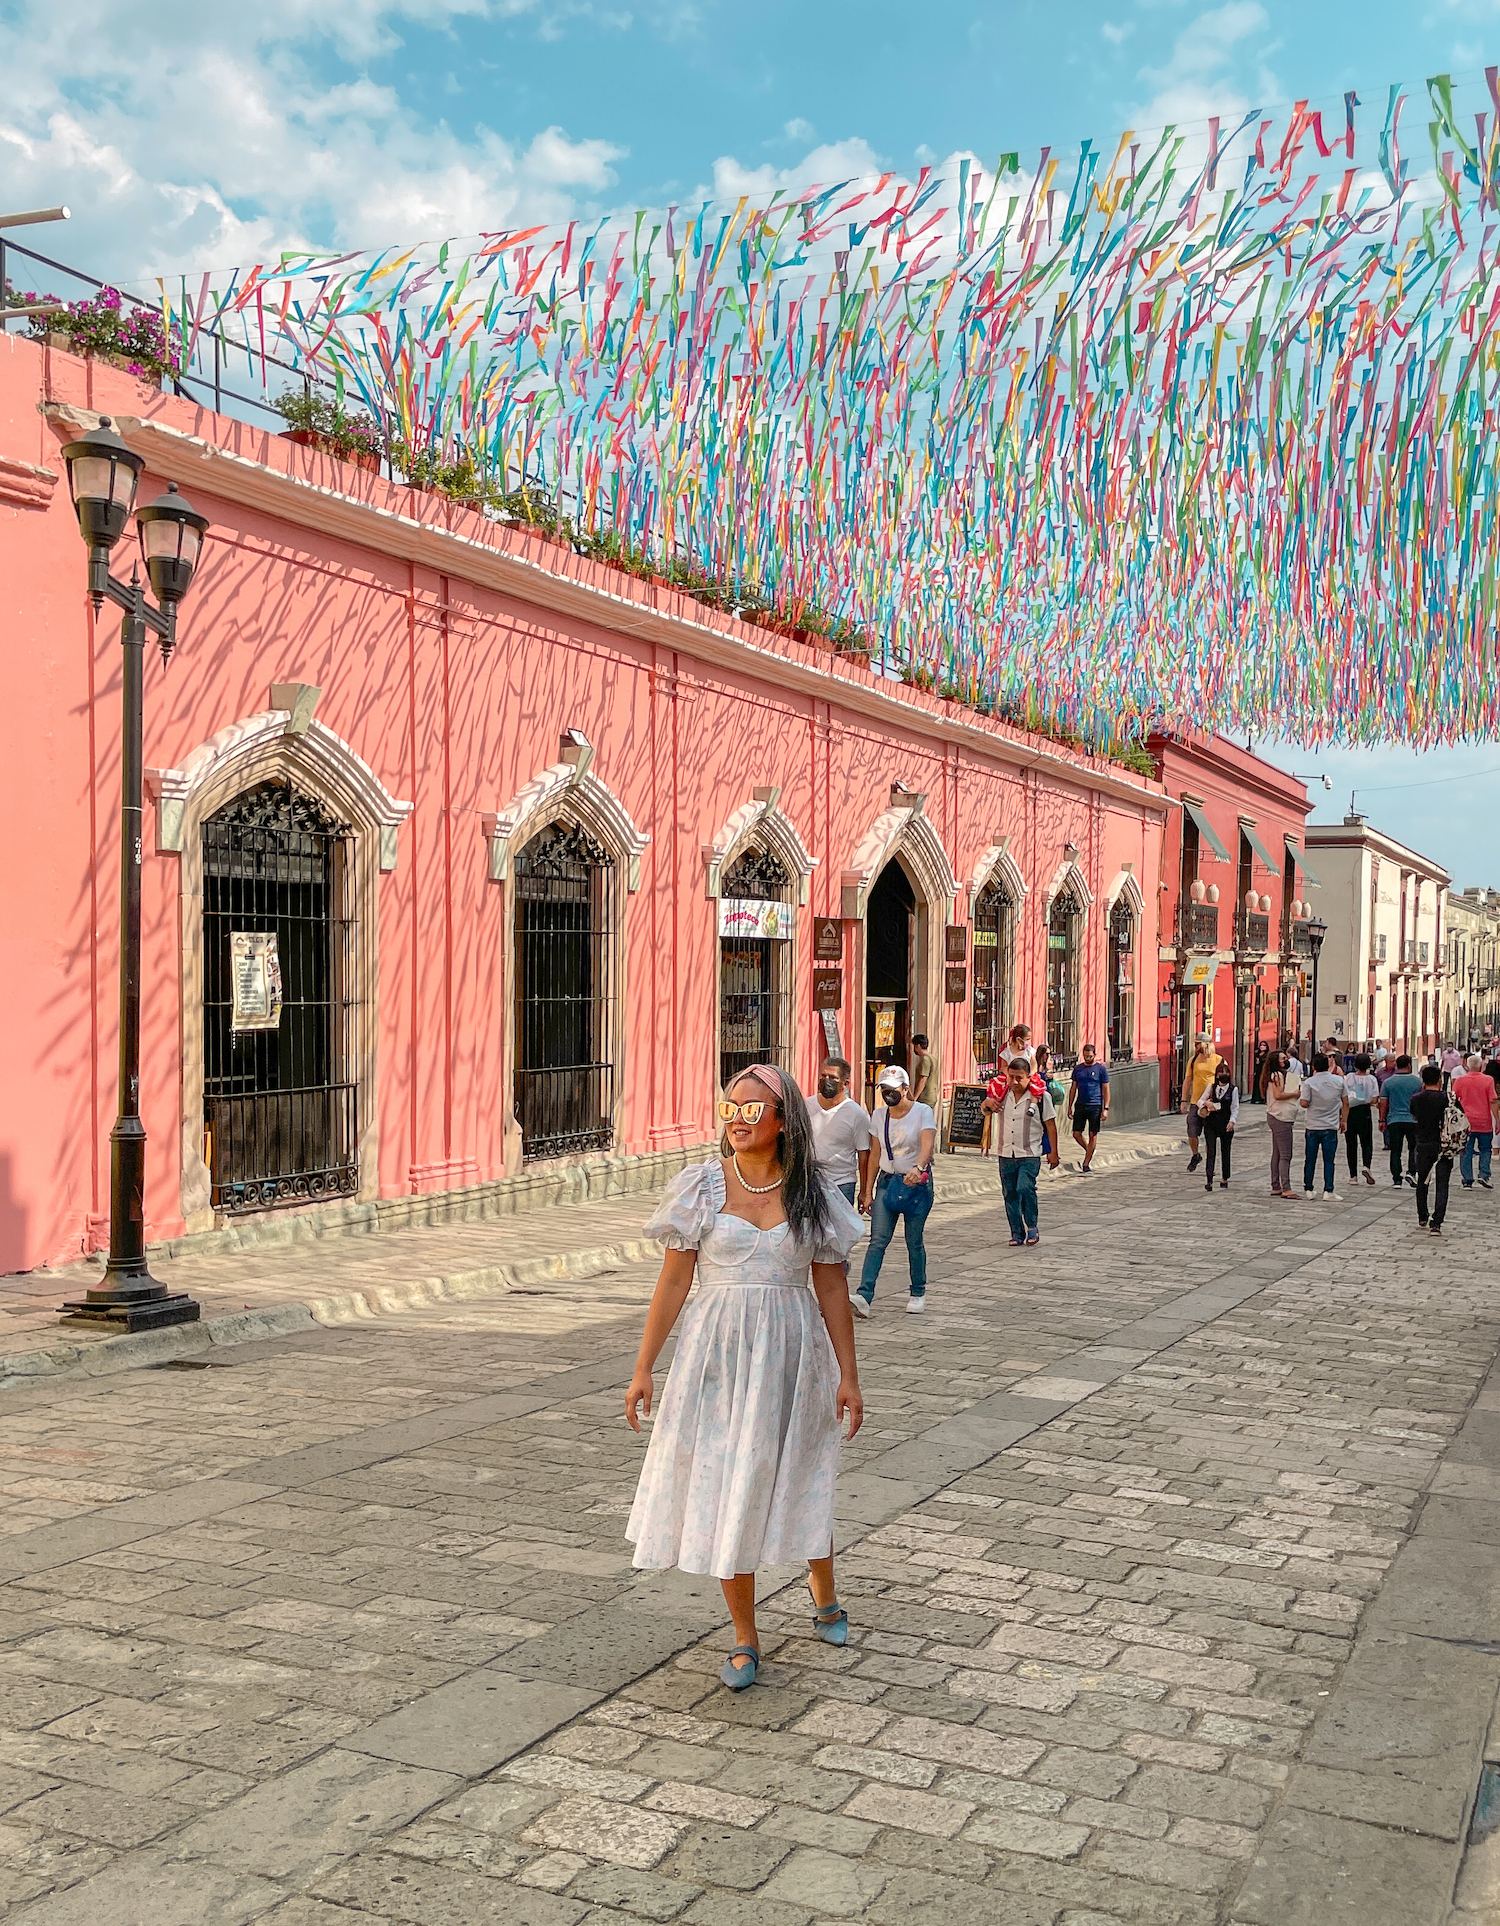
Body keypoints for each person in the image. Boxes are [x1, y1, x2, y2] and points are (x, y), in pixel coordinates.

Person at [625, 1065, 865, 1690]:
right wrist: (645, 1366)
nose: (737, 1121)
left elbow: (833, 1287)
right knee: (728, 1479)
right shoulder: (701, 1188)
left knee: (797, 1473)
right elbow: (674, 1280)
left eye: (753, 1110)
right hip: (716, 1361)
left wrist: (849, 1375)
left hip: (792, 1354)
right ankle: (744, 1635)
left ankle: (824, 1590)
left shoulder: (813, 1194)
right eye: (729, 1109)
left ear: (784, 1121)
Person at [854, 1066, 937, 1316]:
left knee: (914, 1240)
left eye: (892, 1089)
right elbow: (875, 1152)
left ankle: (918, 1291)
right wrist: (867, 1190)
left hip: (916, 1185)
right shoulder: (879, 1116)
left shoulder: (923, 1112)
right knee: (877, 1240)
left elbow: (927, 1144)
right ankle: (864, 1295)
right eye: (884, 1090)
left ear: (905, 1089)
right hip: (888, 1182)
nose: (888, 1094)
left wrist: (919, 1166)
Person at [982, 1055, 1059, 1246]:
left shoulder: (1041, 1098)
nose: (1015, 1082)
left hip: (1030, 1153)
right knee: (1009, 1193)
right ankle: (1016, 1232)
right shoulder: (1002, 1094)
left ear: (1028, 1077)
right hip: (1006, 1152)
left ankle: (1032, 1225)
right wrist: (987, 1104)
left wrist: (1054, 1152)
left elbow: (1050, 1125)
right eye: (1011, 1077)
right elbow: (985, 1110)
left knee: (1025, 1187)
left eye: (1019, 1078)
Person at [808, 1056, 873, 1208]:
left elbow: (864, 1156)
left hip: (842, 1184)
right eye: (823, 1076)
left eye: (833, 1077)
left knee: (839, 1232)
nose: (826, 1080)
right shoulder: (806, 1106)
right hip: (811, 1183)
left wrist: (864, 1191)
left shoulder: (857, 1115)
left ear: (845, 1083)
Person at [1409, 1062, 1456, 1235]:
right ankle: (1437, 1222)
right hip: (1444, 1144)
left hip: (1423, 1142)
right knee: (1442, 1182)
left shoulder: (1416, 1099)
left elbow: (1414, 1115)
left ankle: (1422, 1215)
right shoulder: (1448, 1098)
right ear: (1440, 1080)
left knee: (1422, 1180)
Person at [1299, 1051, 1348, 1199]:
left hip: (1313, 1124)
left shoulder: (1309, 1083)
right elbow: (1346, 1102)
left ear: (1313, 1066)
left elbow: (1304, 1103)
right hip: (1330, 1125)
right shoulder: (1339, 1081)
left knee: (1310, 1159)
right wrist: (1344, 1119)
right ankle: (1328, 1190)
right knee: (1329, 1160)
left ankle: (1309, 1188)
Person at [1454, 1053, 1499, 1190]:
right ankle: (1483, 1175)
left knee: (1466, 1151)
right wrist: (1497, 1120)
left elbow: (1454, 1099)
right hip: (1483, 1121)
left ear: (1468, 1065)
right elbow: (1493, 1100)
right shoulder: (1488, 1080)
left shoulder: (1460, 1080)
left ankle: (1467, 1180)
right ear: (1480, 1066)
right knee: (1485, 1149)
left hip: (1465, 1122)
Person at [1379, 1054, 1423, 1186]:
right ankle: (1411, 1172)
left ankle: (1397, 1178)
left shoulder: (1388, 1082)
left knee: (1395, 1150)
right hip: (1413, 1120)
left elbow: (1383, 1103)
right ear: (1409, 1065)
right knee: (1413, 1148)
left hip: (1394, 1120)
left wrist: (1382, 1120)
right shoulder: (1418, 1082)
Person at [1067, 1042, 1110, 1172]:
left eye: (1090, 1056)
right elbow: (1073, 1088)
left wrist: (1106, 1108)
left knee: (1093, 1133)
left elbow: (1106, 1089)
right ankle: (1089, 1150)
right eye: (1085, 1056)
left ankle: (1086, 1162)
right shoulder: (1078, 1069)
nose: (1088, 1058)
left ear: (1094, 1055)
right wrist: (1069, 1106)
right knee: (1076, 1133)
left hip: (1095, 1105)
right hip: (1080, 1104)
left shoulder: (1100, 1069)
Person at [1265, 1050, 1303, 1199]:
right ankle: (1286, 1187)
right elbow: (1278, 1095)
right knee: (1285, 1154)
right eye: (1282, 1059)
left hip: (1276, 1115)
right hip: (1281, 1117)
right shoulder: (1277, 1075)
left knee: (1277, 1153)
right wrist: (1294, 1094)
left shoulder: (1274, 1075)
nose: (1285, 1060)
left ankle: (1276, 1185)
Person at [1199, 1058, 1238, 1190]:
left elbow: (1235, 1107)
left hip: (1225, 1123)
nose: (1224, 1075)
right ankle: (1209, 1179)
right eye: (1221, 1072)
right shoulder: (1211, 1087)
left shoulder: (1233, 1089)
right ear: (1216, 1075)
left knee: (1225, 1151)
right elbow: (1200, 1101)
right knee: (1211, 1151)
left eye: (1226, 1072)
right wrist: (1206, 1103)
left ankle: (1224, 1177)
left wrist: (1232, 1121)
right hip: (1211, 1123)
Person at [1343, 1053, 1380, 1188]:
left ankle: (1353, 1176)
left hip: (1350, 1111)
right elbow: (1375, 1099)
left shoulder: (1349, 1078)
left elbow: (1344, 1096)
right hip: (1365, 1111)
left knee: (1351, 1144)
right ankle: (1366, 1165)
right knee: (1366, 1141)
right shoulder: (1372, 1079)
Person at [1183, 1035, 1216, 1173]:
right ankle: (1196, 1155)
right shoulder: (1193, 1060)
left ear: (1205, 1045)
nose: (1195, 1047)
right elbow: (1187, 1080)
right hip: (1196, 1102)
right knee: (1192, 1130)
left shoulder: (1219, 1060)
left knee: (1210, 1134)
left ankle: (1210, 1163)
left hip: (1211, 1103)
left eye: (1197, 1044)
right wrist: (1183, 1100)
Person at [909, 1033, 939, 1110]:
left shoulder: (925, 1059)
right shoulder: (932, 1058)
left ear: (918, 1046)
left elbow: (923, 1080)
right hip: (931, 1096)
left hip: (925, 1098)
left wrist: (915, 1097)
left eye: (914, 1046)